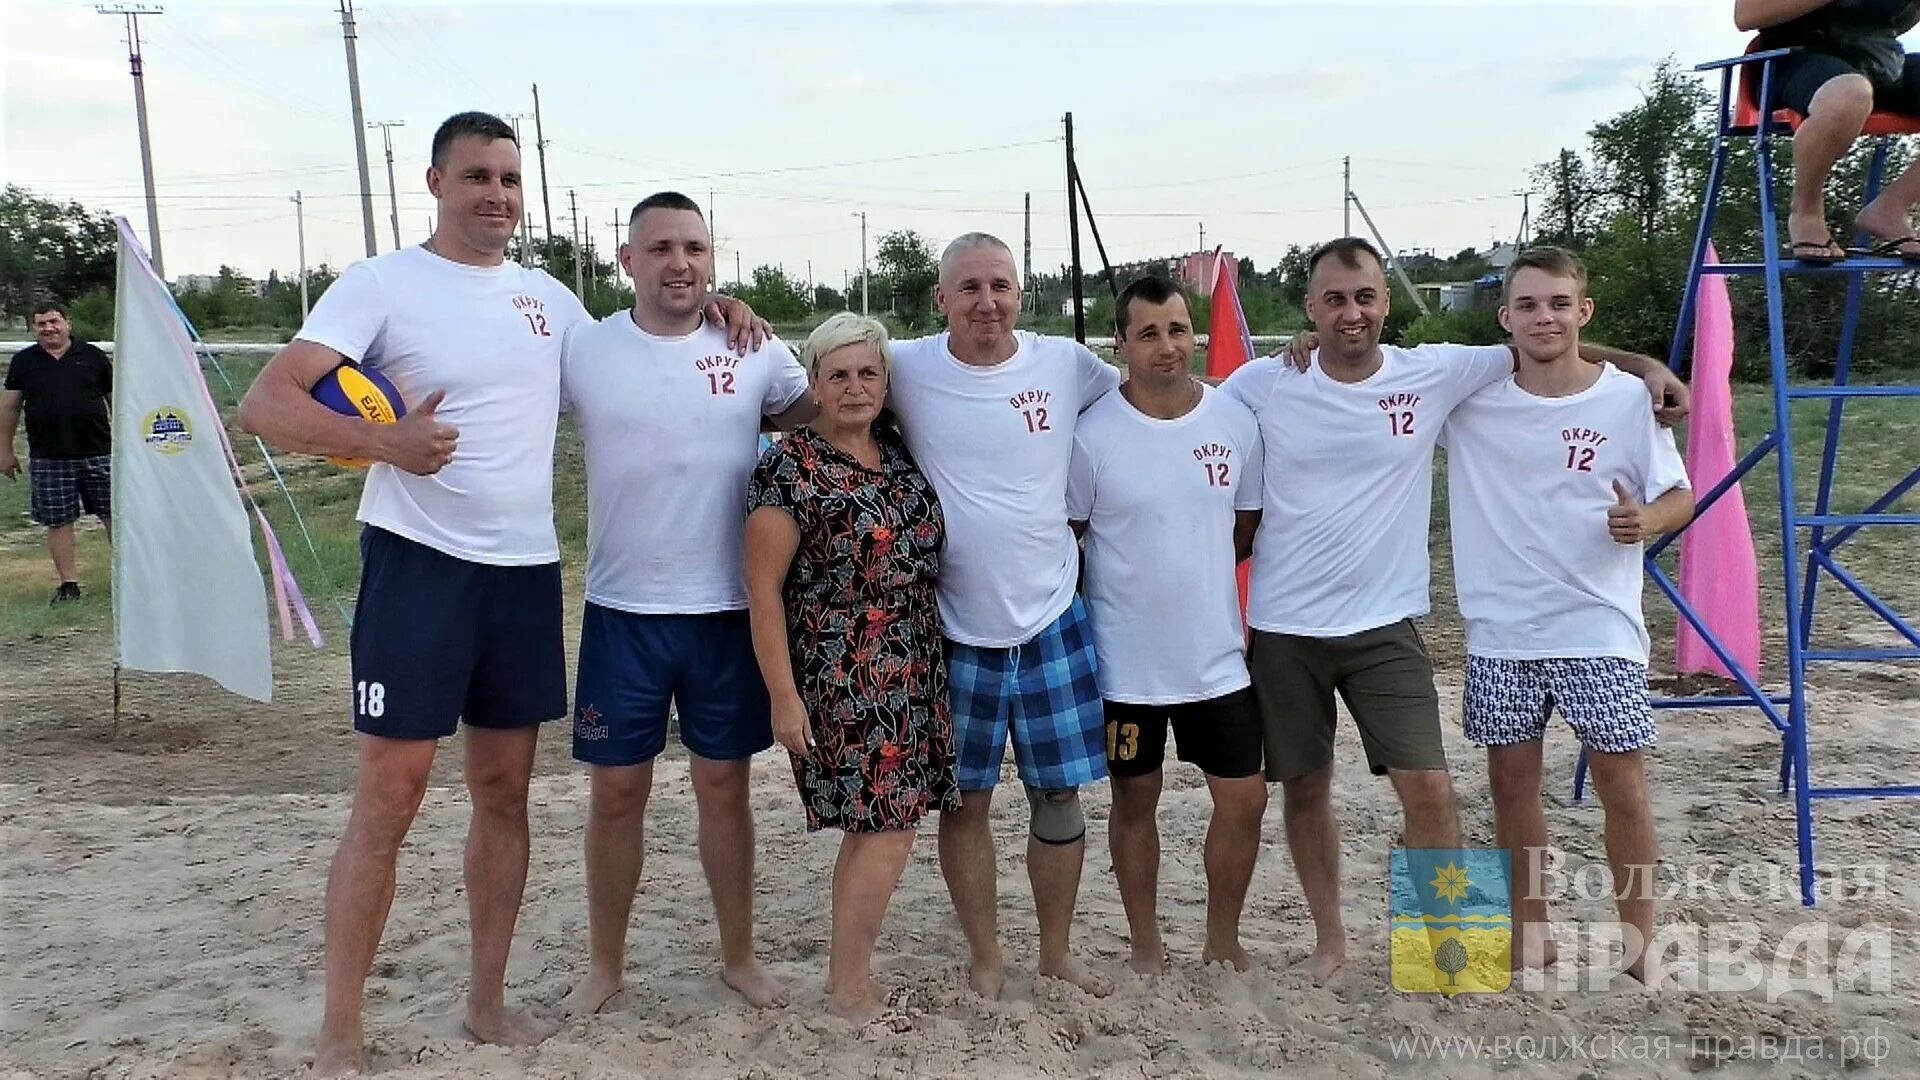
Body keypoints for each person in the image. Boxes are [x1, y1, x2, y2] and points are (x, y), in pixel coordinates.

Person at [236, 115, 763, 1075]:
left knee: (503, 791)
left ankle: (486, 1000)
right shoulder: (381, 283)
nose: (496, 195)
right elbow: (266, 403)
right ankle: (341, 1028)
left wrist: (714, 300)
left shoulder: (551, 301)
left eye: (510, 179)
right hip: (419, 562)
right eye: (476, 175)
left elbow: (647, 334)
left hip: (523, 574)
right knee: (389, 799)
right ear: (434, 180)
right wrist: (383, 444)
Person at [1221, 237, 1690, 985]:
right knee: (1307, 788)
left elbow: (1545, 340)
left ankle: (1453, 951)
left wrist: (1645, 366)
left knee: (1432, 789)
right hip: (1285, 624)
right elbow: (1186, 421)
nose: (1352, 312)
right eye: (1334, 299)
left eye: (1366, 296)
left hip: (1389, 624)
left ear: (1385, 304)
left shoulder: (1434, 372)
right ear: (1310, 309)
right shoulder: (1262, 382)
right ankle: (1332, 939)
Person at [560, 191, 810, 1016]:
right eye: (661, 247)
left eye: (696, 248)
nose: (680, 263)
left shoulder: (758, 350)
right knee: (617, 793)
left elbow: (842, 417)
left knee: (723, 788)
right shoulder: (584, 348)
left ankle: (739, 956)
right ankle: (606, 964)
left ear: (713, 258)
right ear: (627, 261)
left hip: (725, 611)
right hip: (622, 610)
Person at [1442, 247, 1692, 985]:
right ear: (1504, 318)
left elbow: (1680, 493)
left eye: (1558, 303)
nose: (1543, 317)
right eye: (1527, 305)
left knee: (1624, 786)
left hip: (1598, 626)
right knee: (1512, 788)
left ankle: (1640, 943)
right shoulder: (1473, 396)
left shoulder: (1625, 399)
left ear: (1583, 312)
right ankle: (1531, 934)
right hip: (1499, 630)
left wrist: (1646, 521)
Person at [886, 233, 1120, 999]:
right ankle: (986, 956)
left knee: (1058, 795)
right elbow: (818, 383)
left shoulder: (1065, 363)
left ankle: (1055, 952)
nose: (988, 301)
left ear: (1021, 293)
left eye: (1002, 286)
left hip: (1053, 615)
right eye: (971, 287)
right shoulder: (906, 367)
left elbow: (1154, 391)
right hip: (955, 627)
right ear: (941, 299)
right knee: (968, 800)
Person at [743, 312, 960, 1022]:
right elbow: (763, 590)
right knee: (887, 826)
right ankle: (848, 987)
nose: (855, 386)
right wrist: (783, 695)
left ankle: (849, 976)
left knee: (884, 823)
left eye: (868, 372)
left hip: (915, 659)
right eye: (838, 374)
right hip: (844, 670)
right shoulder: (787, 465)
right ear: (814, 384)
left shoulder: (897, 450)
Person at [1065, 277, 1268, 975]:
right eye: (1148, 333)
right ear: (1119, 343)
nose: (1167, 346)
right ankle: (1146, 943)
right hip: (1127, 666)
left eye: (1178, 329)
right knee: (1135, 800)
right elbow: (1072, 535)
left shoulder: (1234, 421)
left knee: (1244, 800)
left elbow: (1244, 528)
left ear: (1195, 334)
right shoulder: (1091, 437)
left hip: (1215, 658)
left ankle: (1221, 937)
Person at [1734, 0, 1920, 261]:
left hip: (1880, 59)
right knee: (1850, 94)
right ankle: (1806, 210)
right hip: (1798, 55)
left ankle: (1892, 207)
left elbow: (1898, 19)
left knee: (1856, 89)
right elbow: (1746, 15)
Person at [3, 303, 113, 603]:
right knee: (58, 521)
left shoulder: (93, 357)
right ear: (33, 328)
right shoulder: (24, 362)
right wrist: (4, 450)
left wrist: (131, 447)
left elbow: (116, 400)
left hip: (100, 453)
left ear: (68, 323)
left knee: (116, 515)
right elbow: (10, 407)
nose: (49, 328)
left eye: (54, 321)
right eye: (41, 324)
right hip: (48, 457)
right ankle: (69, 584)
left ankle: (127, 576)